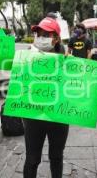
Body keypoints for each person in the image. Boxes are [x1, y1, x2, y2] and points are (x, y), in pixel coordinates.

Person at [23, 17, 68, 178]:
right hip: (33, 116)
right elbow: (0, 62)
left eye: (46, 35)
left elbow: (86, 81)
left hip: (59, 116)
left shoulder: (67, 59)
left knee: (56, 157)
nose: (41, 38)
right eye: (39, 34)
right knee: (32, 159)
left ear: (56, 38)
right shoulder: (26, 56)